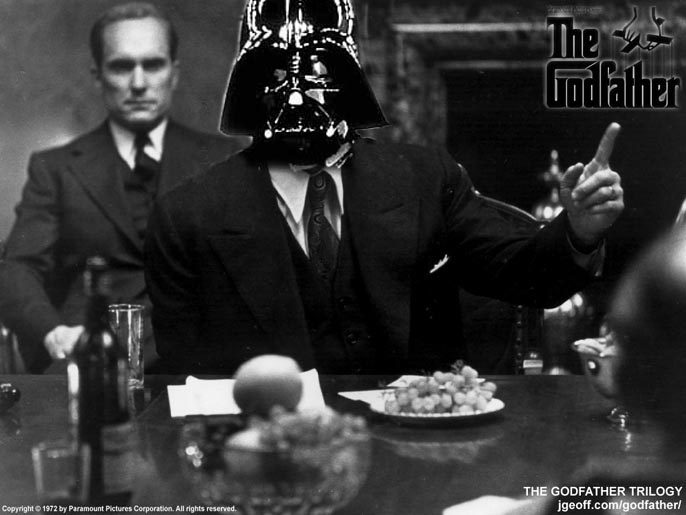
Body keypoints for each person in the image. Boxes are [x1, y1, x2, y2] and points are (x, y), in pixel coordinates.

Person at [144, 0, 624, 375]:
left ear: (348, 80)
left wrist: (579, 230)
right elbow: (185, 383)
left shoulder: (425, 179)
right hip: (276, 448)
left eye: (318, 73)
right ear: (250, 88)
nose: (297, 94)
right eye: (276, 75)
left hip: (417, 441)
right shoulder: (188, 217)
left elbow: (523, 272)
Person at [0, 2, 243, 373]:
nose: (139, 83)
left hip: (198, 368)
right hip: (88, 361)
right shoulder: (56, 168)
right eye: (122, 66)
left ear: (174, 73)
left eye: (153, 64)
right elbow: (19, 268)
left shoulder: (224, 159)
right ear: (98, 76)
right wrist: (54, 333)